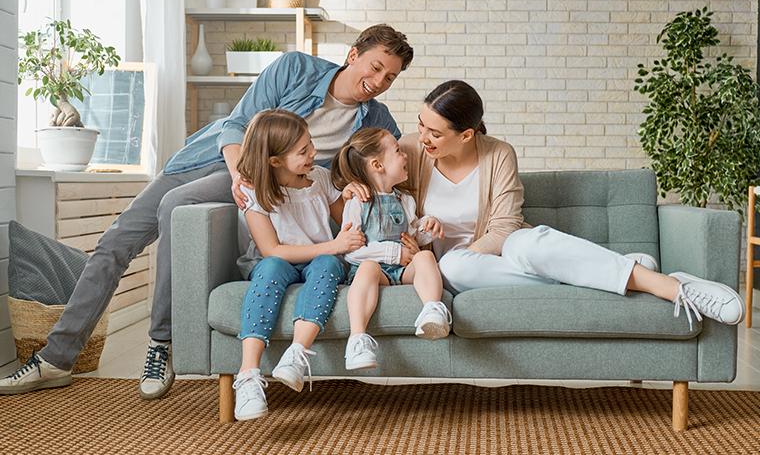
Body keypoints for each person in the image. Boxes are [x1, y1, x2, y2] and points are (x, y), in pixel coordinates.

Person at [0, 24, 414, 398]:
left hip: (272, 181)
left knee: (175, 207)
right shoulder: (295, 69)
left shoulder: (375, 119)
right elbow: (237, 125)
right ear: (353, 54)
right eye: (375, 67)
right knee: (117, 240)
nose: (377, 82)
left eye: (389, 77)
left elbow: (390, 165)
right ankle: (56, 357)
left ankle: (161, 344)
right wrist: (240, 174)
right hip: (219, 161)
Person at [386, 80, 742, 329]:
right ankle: (614, 271)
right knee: (455, 267)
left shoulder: (498, 153)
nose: (423, 137)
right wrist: (355, 187)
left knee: (526, 240)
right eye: (421, 124)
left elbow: (505, 226)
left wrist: (472, 252)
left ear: (466, 134)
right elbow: (377, 183)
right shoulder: (413, 150)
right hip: (455, 270)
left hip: (501, 255)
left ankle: (674, 287)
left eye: (435, 132)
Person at [232, 109, 363, 421]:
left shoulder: (318, 179)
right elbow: (271, 249)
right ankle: (248, 374)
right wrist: (333, 245)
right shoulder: (253, 192)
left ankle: (297, 354)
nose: (313, 154)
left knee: (329, 264)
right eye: (303, 151)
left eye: (310, 145)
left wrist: (351, 196)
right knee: (272, 267)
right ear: (275, 161)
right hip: (277, 261)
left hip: (319, 260)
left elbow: (347, 221)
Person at [330, 128, 450, 371]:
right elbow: (351, 251)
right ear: (377, 164)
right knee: (368, 267)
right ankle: (358, 339)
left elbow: (412, 234)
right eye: (398, 152)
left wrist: (428, 227)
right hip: (376, 272)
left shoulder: (404, 200)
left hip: (402, 270)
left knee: (425, 256)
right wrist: (392, 254)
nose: (405, 156)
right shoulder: (356, 203)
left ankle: (432, 310)